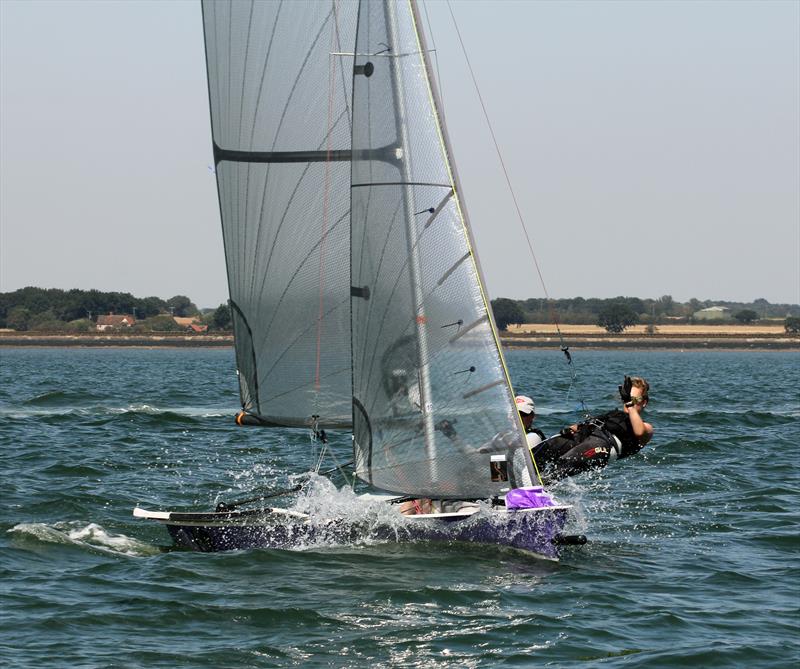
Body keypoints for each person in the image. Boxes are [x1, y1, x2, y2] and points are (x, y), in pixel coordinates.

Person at [532, 376, 653, 482]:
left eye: (634, 400)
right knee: (541, 451)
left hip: (602, 447)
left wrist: (629, 404)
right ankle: (519, 473)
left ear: (644, 403)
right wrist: (576, 428)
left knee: (559, 467)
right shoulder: (614, 415)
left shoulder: (646, 428)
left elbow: (639, 432)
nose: (629, 403)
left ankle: (538, 491)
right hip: (585, 438)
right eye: (627, 398)